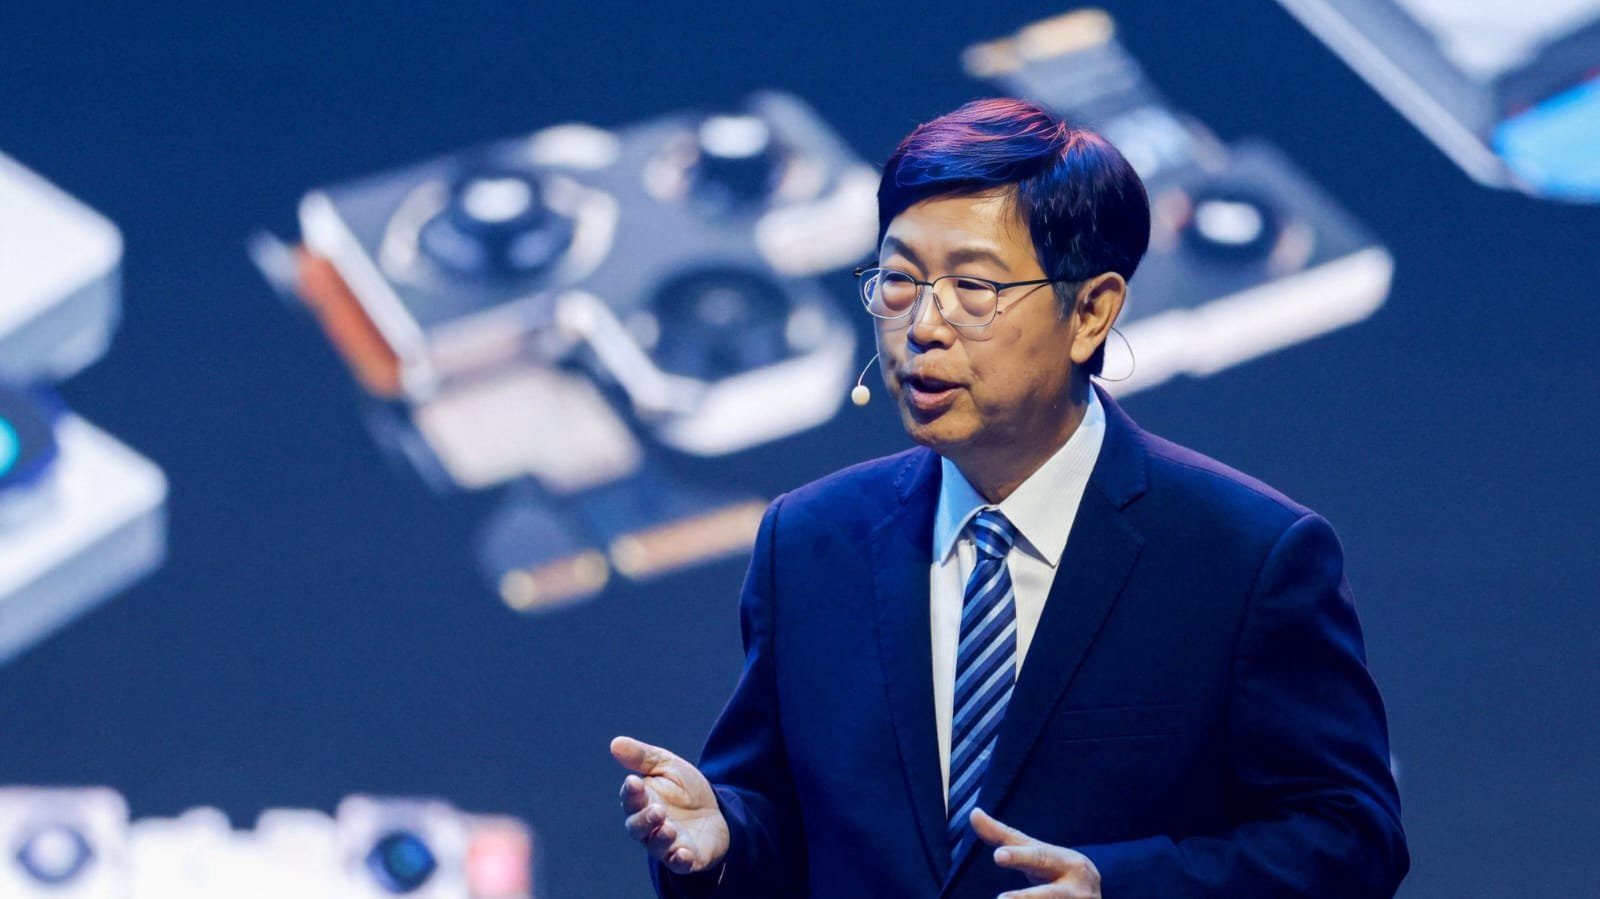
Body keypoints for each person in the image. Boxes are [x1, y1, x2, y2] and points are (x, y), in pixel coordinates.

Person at [611, 98, 1407, 898]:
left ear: (1091, 312)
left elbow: (1349, 838)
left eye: (975, 287)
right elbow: (789, 824)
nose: (923, 325)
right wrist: (722, 839)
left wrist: (1117, 888)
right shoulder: (810, 538)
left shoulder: (1247, 554)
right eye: (898, 280)